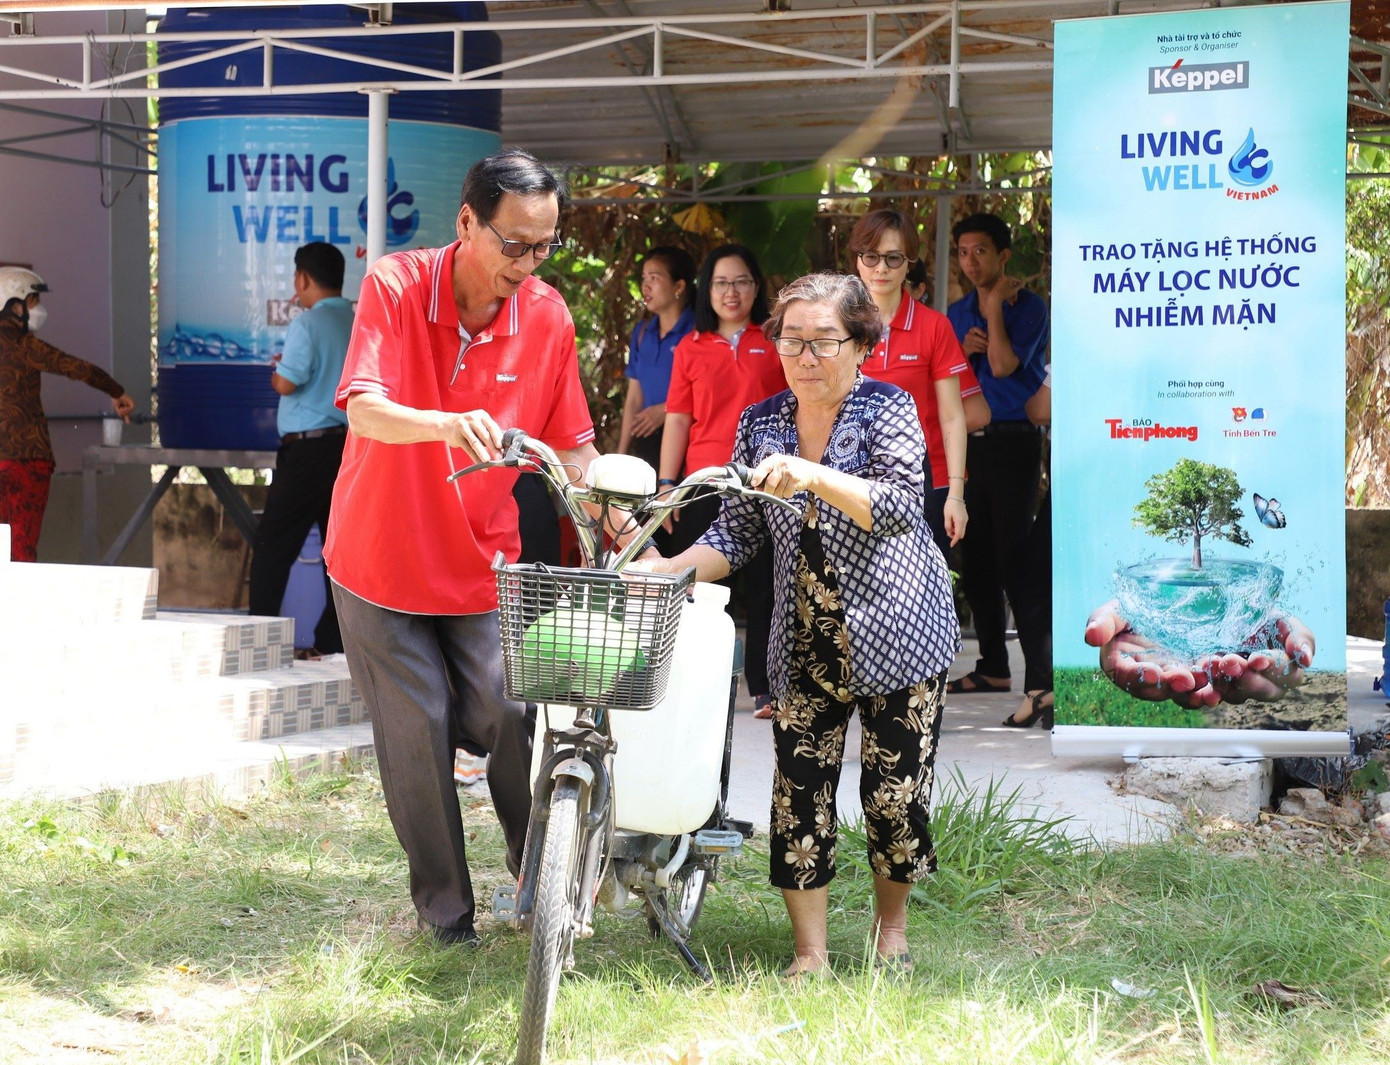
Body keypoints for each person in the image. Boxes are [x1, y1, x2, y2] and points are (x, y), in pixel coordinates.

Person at [635, 273, 960, 977]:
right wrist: (669, 569)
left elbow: (902, 507)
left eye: (823, 341)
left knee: (892, 795)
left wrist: (811, 475)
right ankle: (809, 952)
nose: (805, 355)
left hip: (900, 632)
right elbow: (738, 530)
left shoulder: (890, 409)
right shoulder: (761, 423)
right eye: (791, 341)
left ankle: (891, 928)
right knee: (798, 794)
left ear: (862, 345)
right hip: (804, 638)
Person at [323, 149, 609, 946]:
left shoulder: (547, 315)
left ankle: (540, 883)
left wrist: (609, 494)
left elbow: (572, 445)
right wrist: (446, 424)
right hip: (378, 562)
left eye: (544, 245)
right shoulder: (396, 284)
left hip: (481, 568)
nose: (526, 262)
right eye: (512, 242)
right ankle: (447, 917)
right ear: (466, 224)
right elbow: (366, 410)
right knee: (417, 732)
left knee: (512, 714)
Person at [659, 244, 785, 718]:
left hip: (766, 479)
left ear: (757, 287)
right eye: (721, 283)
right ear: (705, 290)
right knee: (700, 588)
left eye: (742, 282)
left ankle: (765, 687)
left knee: (766, 587)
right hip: (704, 482)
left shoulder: (775, 339)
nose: (732, 292)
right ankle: (694, 684)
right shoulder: (689, 347)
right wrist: (668, 482)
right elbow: (677, 419)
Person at [945, 212, 1049, 695]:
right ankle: (993, 665)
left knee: (1014, 557)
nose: (970, 261)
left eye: (980, 251)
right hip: (970, 444)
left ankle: (1039, 678)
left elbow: (1005, 366)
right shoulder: (954, 312)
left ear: (1003, 255)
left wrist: (992, 311)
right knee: (976, 558)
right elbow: (948, 385)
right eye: (963, 252)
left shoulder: (1030, 307)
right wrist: (965, 353)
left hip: (1014, 441)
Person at [849, 209, 991, 558]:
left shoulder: (934, 326)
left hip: (926, 482)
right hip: (852, 481)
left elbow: (953, 416)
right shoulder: (839, 324)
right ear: (857, 260)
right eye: (871, 257)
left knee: (923, 596)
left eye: (893, 258)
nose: (881, 268)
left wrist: (955, 495)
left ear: (909, 262)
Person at [247, 242, 354, 657]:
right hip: (347, 448)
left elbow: (288, 383)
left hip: (306, 450)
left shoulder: (306, 324)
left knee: (274, 544)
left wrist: (278, 373)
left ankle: (259, 640)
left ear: (303, 278)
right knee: (338, 551)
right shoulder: (356, 319)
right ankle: (330, 642)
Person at [0, 267, 134, 562]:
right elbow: (77, 368)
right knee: (21, 549)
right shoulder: (26, 347)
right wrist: (116, 391)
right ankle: (20, 607)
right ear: (14, 305)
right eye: (33, 301)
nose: (39, 309)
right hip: (28, 461)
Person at [1004, 366, 1053, 727]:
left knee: (1029, 580)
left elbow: (1038, 409)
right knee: (1035, 579)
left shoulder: (1081, 349)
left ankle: (1044, 690)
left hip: (1080, 475)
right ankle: (1042, 689)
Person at [618, 246, 696, 474]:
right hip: (647, 439)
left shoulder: (698, 332)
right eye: (644, 278)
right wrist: (621, 453)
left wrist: (667, 409)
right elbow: (634, 398)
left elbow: (715, 392)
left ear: (679, 286)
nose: (645, 286)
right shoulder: (642, 332)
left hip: (688, 437)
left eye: (654, 277)